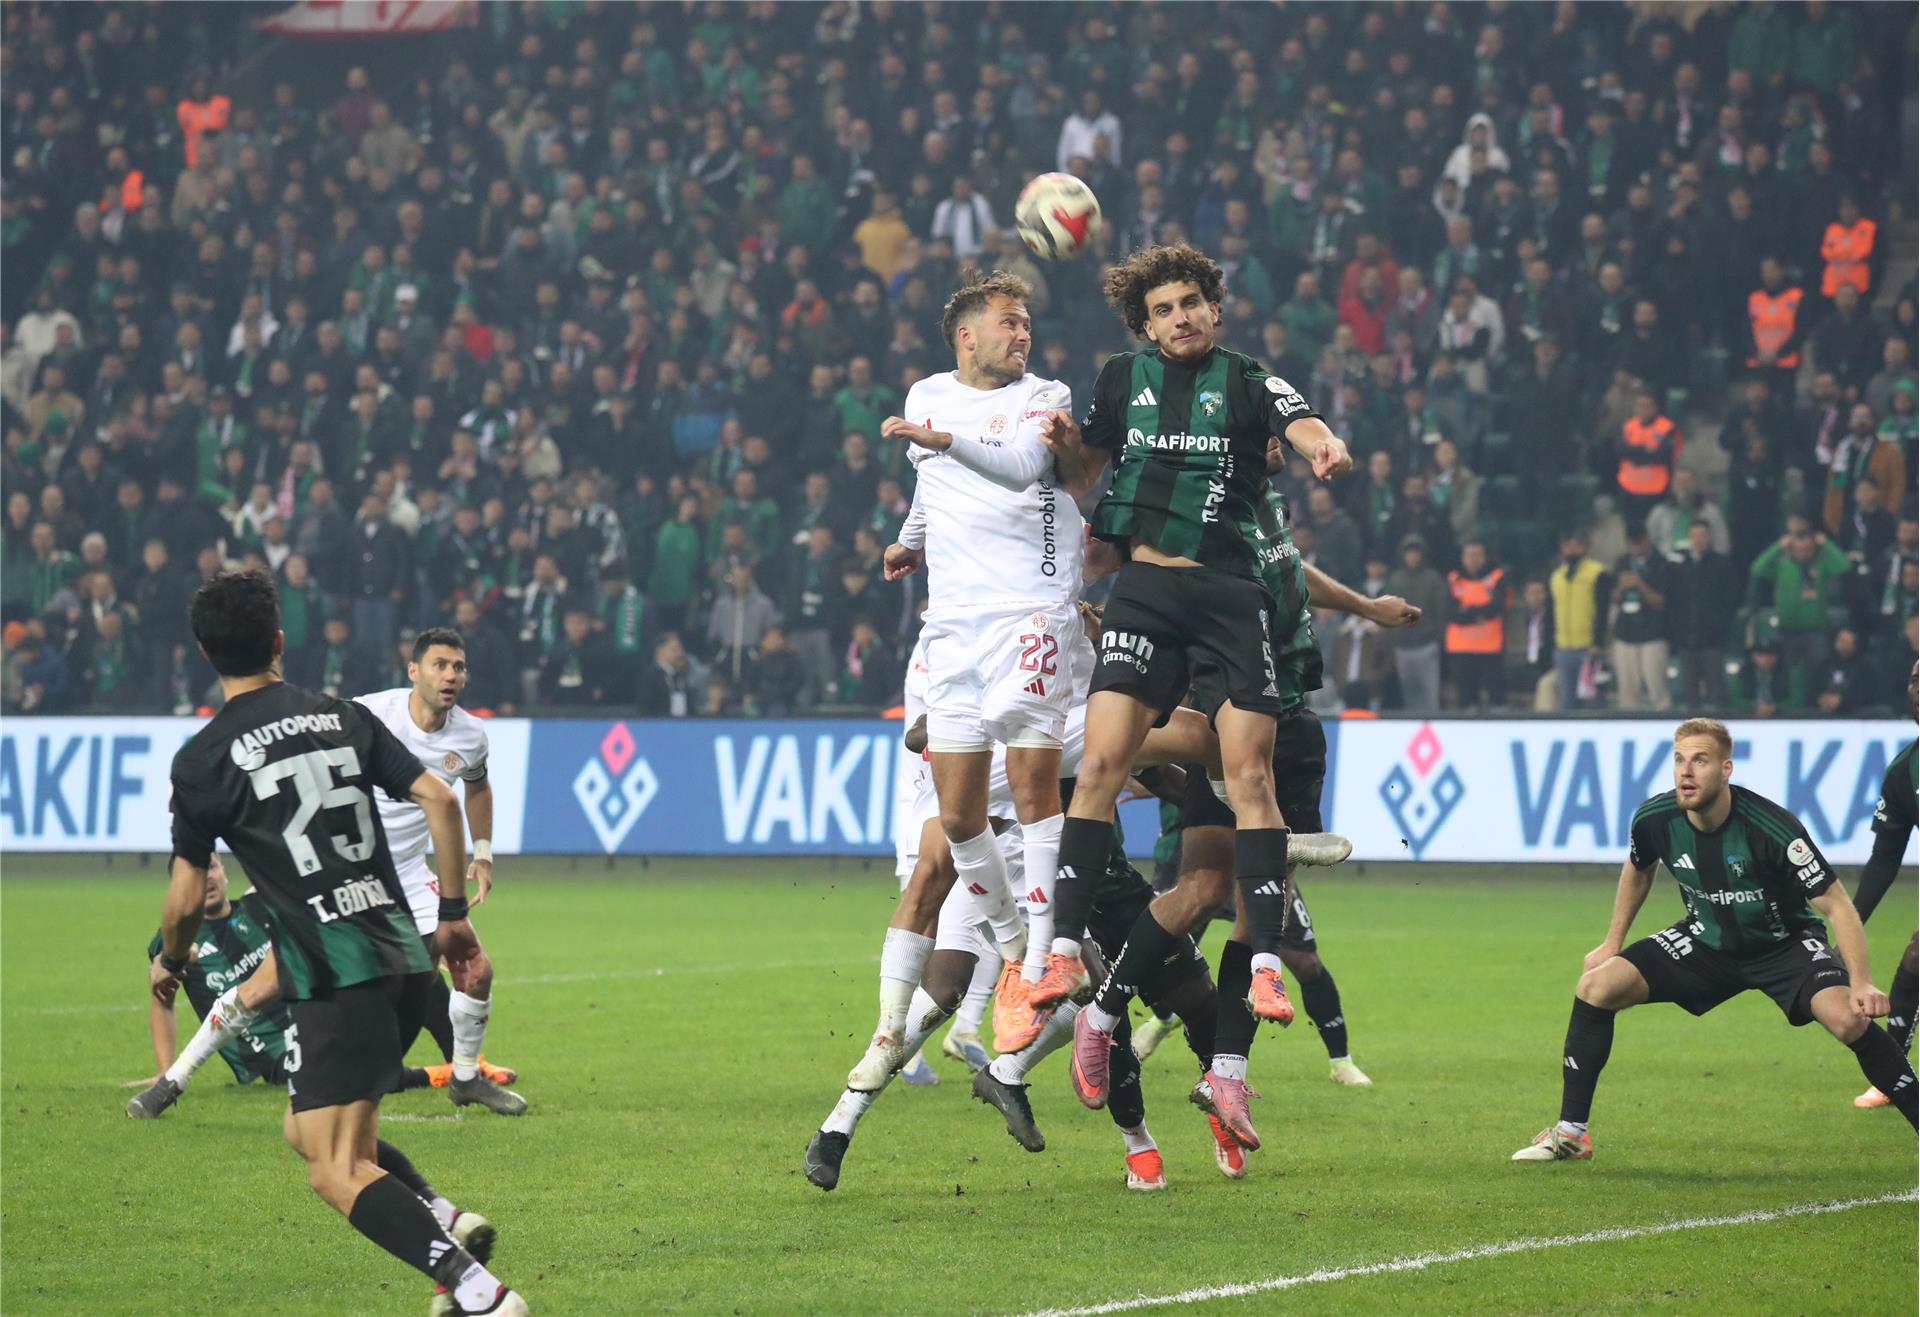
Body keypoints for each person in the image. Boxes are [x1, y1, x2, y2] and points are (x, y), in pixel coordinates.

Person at [1026, 243, 1355, 1099]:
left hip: (1227, 598)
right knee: (1102, 762)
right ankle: (1061, 954)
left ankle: (1264, 970)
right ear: (1145, 324)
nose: (1180, 318)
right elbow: (1084, 474)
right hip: (1143, 593)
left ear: (1215, 306)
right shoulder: (1120, 379)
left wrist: (1323, 446)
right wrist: (1067, 446)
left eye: (1191, 303)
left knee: (1250, 775)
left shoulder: (1246, 379)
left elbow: (1302, 422)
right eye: (1164, 309)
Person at [152, 570, 525, 1315]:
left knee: (333, 1168)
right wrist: (453, 912)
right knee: (308, 1129)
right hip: (401, 953)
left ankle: (479, 1293)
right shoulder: (337, 714)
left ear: (204, 651)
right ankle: (444, 1218)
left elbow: (187, 895)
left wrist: (172, 956)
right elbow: (440, 798)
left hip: (333, 973)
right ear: (279, 640)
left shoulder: (202, 760)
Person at [862, 269, 1081, 1091]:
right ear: (967, 335)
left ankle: (1041, 957)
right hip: (951, 621)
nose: (1021, 334)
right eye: (1007, 322)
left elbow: (1024, 466)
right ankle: (1015, 945)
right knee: (957, 815)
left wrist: (945, 439)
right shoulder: (928, 393)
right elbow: (932, 480)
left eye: (1025, 322)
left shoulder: (1045, 395)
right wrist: (910, 538)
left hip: (1028, 610)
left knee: (1030, 786)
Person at [1513, 718, 1917, 1161]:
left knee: (1849, 1021)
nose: (1686, 771)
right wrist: (1612, 943)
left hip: (1784, 946)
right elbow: (1638, 867)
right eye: (1679, 760)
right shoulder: (1654, 818)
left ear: (1726, 769)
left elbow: (1837, 904)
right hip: (1705, 942)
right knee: (1596, 986)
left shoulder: (1771, 827)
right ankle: (1572, 1134)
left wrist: (1860, 981)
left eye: (1700, 761)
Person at [354, 628, 527, 1116]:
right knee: (279, 979)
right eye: (440, 665)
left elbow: (477, 787)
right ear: (413, 671)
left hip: (410, 870)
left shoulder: (469, 735)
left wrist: (483, 852)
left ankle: (466, 1076)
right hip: (354, 868)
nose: (451, 675)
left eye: (459, 667)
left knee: (475, 968)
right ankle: (180, 1071)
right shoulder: (368, 714)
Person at [1851, 664, 1916, 1110]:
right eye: (1914, 680)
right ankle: (1895, 1079)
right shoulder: (1905, 771)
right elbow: (1884, 859)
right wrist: (1849, 928)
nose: (1918, 690)